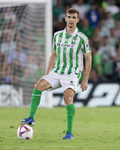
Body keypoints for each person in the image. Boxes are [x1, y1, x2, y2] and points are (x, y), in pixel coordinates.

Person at [20, 8, 92, 140]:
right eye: (69, 17)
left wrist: (85, 78)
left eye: (73, 17)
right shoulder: (57, 35)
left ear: (77, 20)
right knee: (38, 85)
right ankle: (31, 118)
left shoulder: (82, 38)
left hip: (72, 74)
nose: (71, 20)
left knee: (67, 98)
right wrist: (47, 73)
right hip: (57, 71)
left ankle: (69, 133)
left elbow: (88, 57)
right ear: (65, 19)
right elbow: (53, 54)